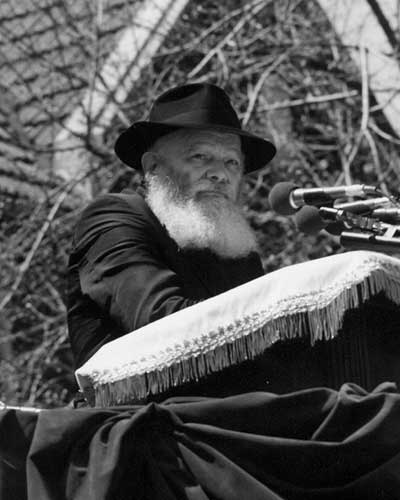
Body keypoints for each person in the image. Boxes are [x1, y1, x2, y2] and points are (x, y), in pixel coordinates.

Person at [67, 83, 276, 371]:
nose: (220, 174)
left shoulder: (235, 248)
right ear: (153, 166)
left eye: (232, 162)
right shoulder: (112, 218)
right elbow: (161, 321)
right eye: (200, 156)